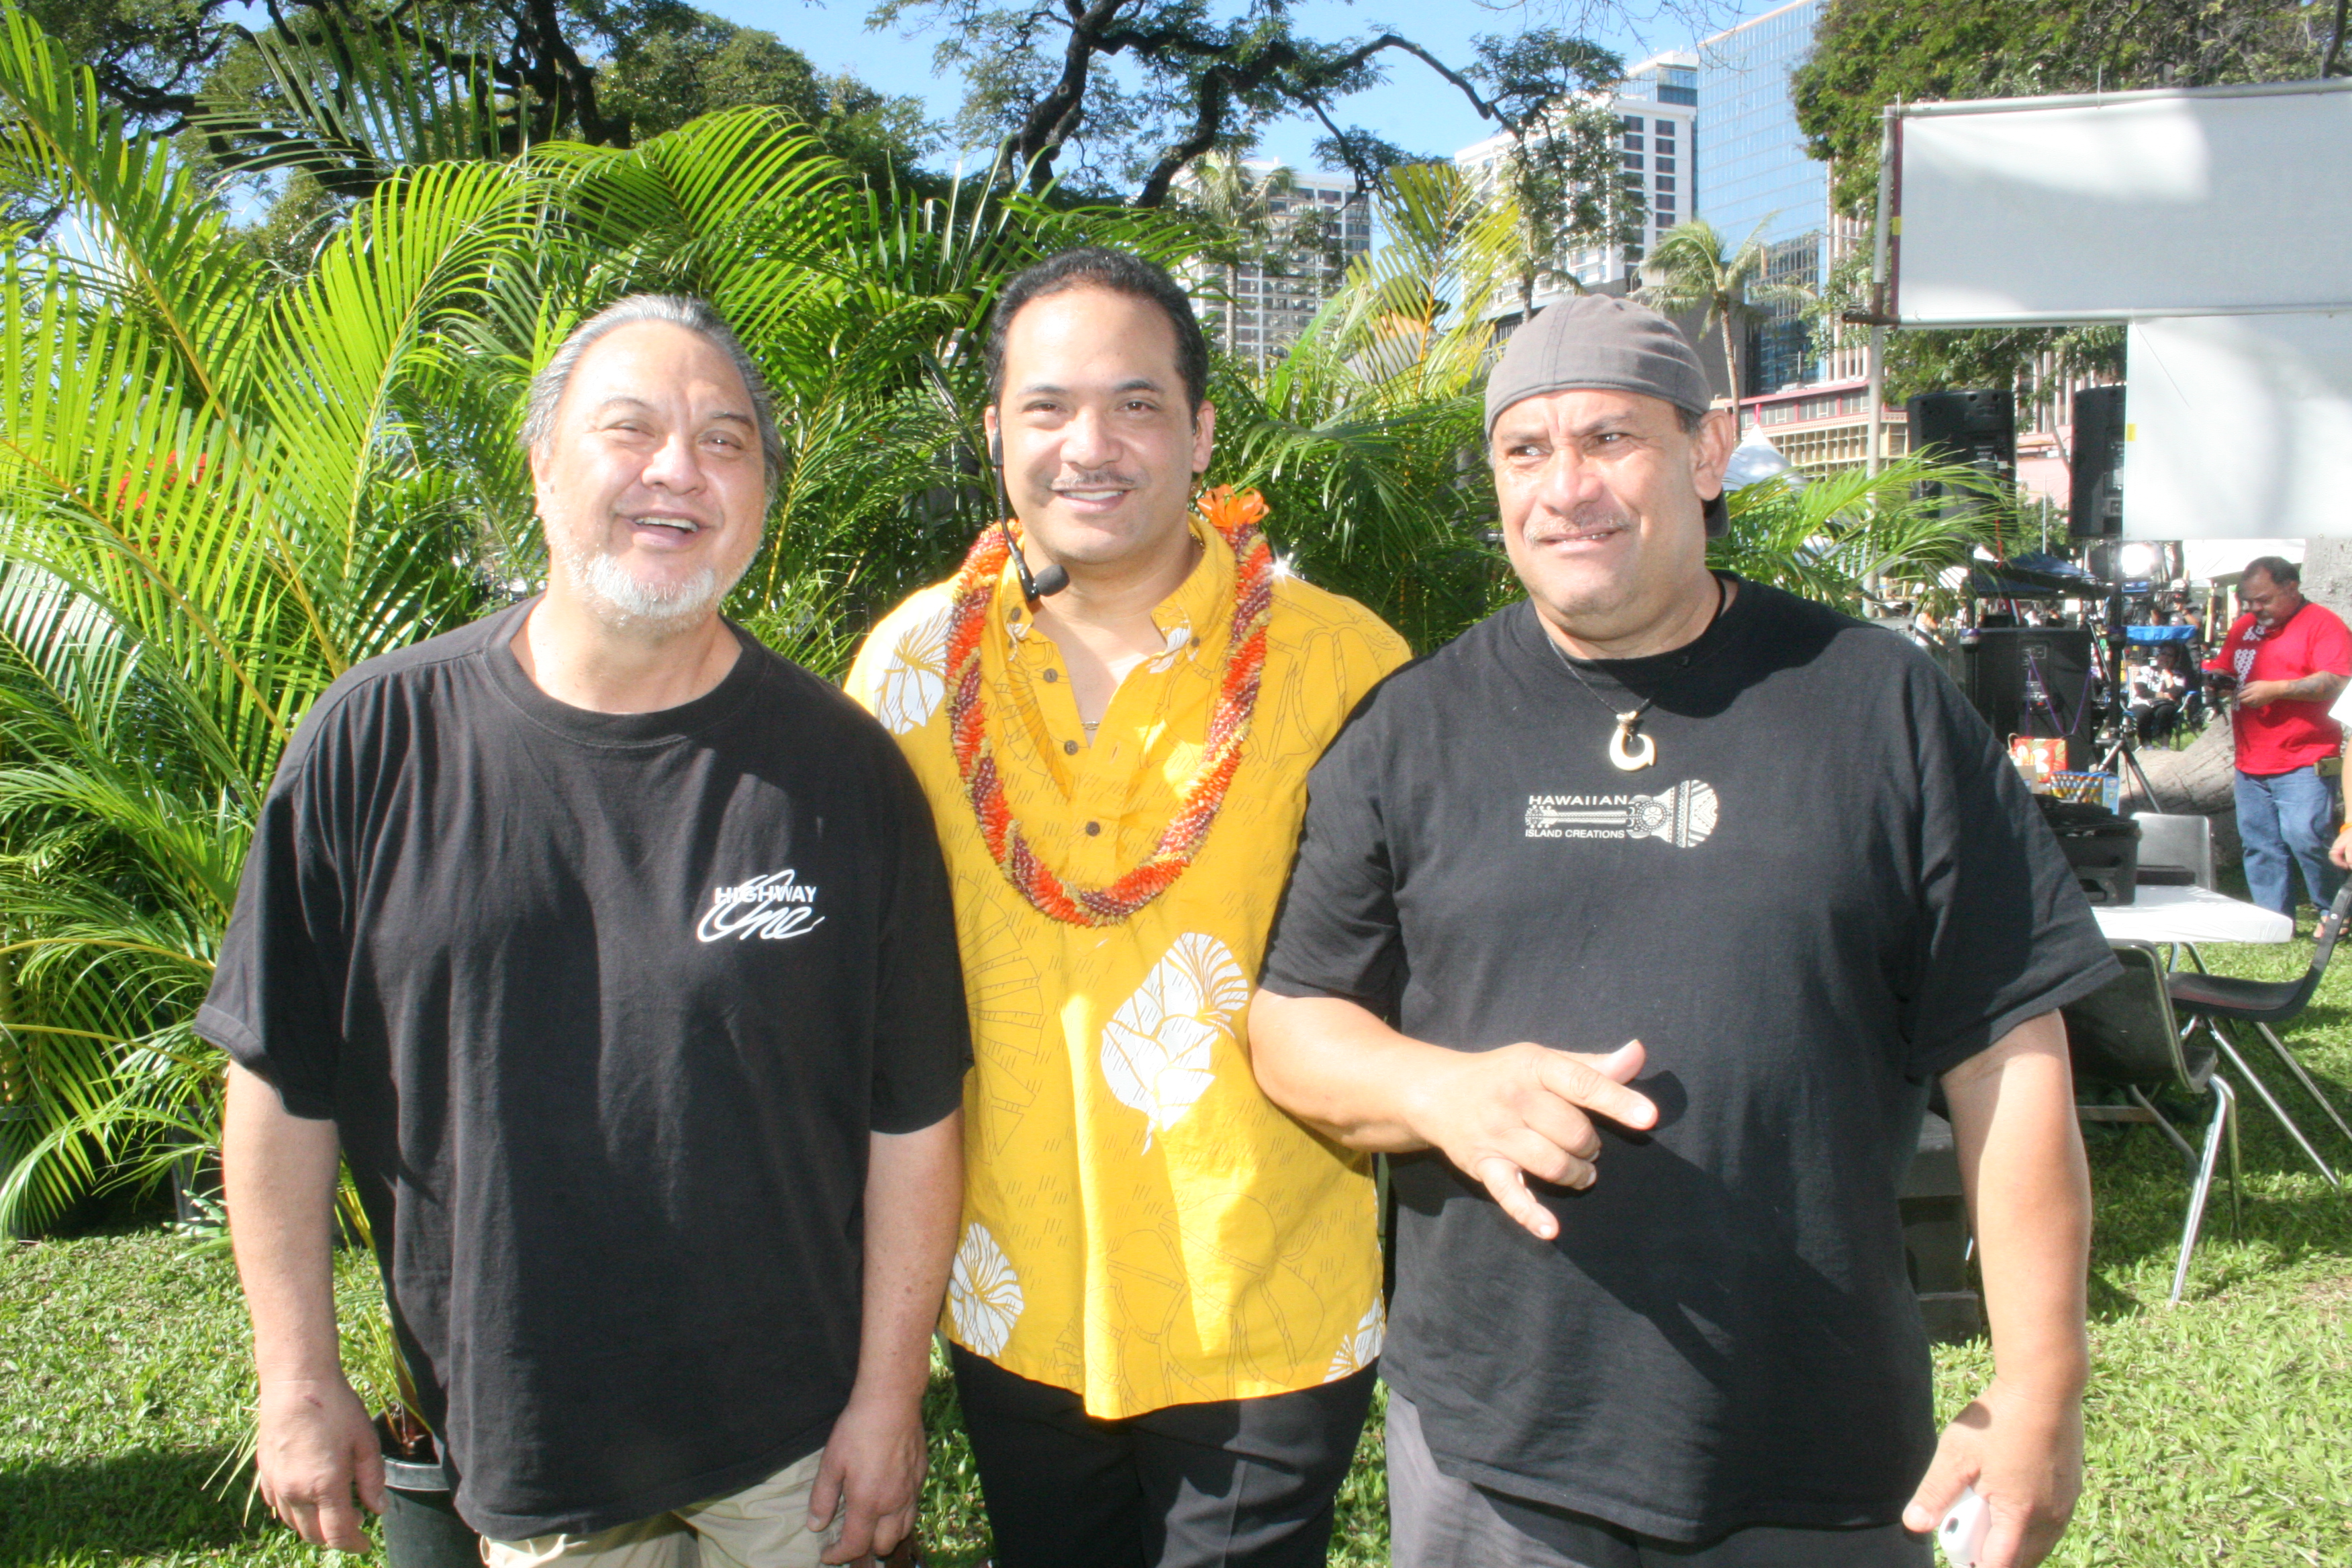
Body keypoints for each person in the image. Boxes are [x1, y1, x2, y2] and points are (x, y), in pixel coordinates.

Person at [1246, 295, 2116, 1568]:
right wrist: (1443, 1092)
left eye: (1610, 439)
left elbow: (2006, 1051)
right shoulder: (1413, 727)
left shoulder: (1877, 703)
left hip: (1816, 1448)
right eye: (1525, 451)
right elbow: (1291, 1022)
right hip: (1499, 1455)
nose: (1565, 488)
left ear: (1705, 454)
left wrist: (2041, 1384)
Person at [204, 295, 969, 1568]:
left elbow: (914, 1114)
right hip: (533, 1437)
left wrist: (891, 1398)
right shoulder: (376, 741)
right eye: (631, 429)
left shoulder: (844, 773)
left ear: (760, 497)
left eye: (725, 441)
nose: (679, 470)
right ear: (541, 464)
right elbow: (280, 1080)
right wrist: (294, 1376)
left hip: (797, 1446)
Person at [844, 248, 1409, 1567]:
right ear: (995, 432)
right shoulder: (909, 666)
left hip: (1261, 1301)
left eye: (1135, 404)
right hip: (1011, 1293)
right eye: (1046, 407)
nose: (1088, 446)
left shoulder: (1346, 664)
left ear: (1201, 431)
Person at [2201, 557, 2351, 916]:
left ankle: (2334, 912)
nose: (2255, 608)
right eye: (2248, 601)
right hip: (2251, 757)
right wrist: (2219, 678)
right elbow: (2227, 665)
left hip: (2305, 756)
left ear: (2291, 588)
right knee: (2259, 844)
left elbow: (2338, 679)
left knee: (2307, 837)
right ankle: (2272, 918)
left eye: (2263, 600)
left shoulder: (2323, 625)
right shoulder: (2245, 627)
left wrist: (2279, 689)